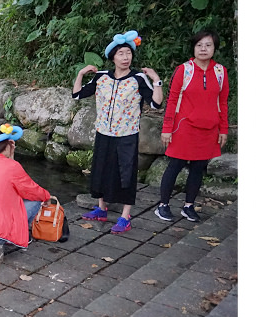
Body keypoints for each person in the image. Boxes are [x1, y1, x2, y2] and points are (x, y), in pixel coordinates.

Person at [72, 30, 164, 234]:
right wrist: (80, 74)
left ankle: (125, 216)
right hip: (104, 132)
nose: (125, 57)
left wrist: (156, 80)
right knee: (101, 169)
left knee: (126, 173)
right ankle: (101, 209)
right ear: (112, 56)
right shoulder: (101, 77)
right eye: (121, 53)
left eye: (128, 53)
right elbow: (78, 94)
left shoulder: (138, 79)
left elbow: (156, 104)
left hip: (127, 134)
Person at [154, 30, 230, 223]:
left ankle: (188, 206)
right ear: (193, 48)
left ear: (214, 48)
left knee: (199, 167)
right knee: (176, 165)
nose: (203, 49)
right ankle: (163, 205)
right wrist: (167, 128)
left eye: (208, 45)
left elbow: (223, 102)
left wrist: (223, 129)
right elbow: (172, 100)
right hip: (184, 127)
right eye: (199, 45)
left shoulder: (220, 72)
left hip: (209, 128)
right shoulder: (184, 70)